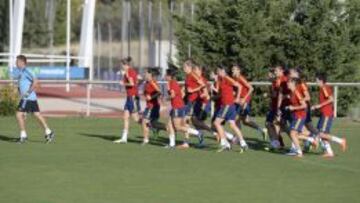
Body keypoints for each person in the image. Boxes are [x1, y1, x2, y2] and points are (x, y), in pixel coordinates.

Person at [13, 55, 54, 143]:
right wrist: (20, 92)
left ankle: (23, 136)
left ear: (22, 62)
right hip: (29, 98)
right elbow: (22, 84)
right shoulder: (21, 72)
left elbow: (35, 81)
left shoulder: (27, 70)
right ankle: (49, 132)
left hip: (27, 98)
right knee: (37, 114)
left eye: (17, 61)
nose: (16, 63)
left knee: (19, 114)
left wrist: (28, 92)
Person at [213, 66, 248, 152]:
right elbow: (222, 93)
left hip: (227, 105)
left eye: (219, 71)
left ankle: (224, 143)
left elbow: (239, 86)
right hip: (228, 105)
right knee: (232, 124)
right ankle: (243, 144)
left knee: (216, 123)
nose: (218, 73)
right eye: (217, 71)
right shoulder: (221, 80)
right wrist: (214, 96)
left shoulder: (227, 78)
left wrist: (237, 98)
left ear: (223, 71)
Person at [311, 73, 347, 157]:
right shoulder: (322, 88)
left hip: (327, 114)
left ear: (321, 81)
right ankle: (330, 152)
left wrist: (320, 105)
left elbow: (331, 99)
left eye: (316, 80)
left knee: (321, 134)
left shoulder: (324, 88)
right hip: (324, 114)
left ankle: (341, 141)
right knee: (322, 133)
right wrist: (317, 106)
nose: (316, 82)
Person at [165, 69, 202, 149]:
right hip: (176, 107)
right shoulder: (171, 83)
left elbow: (173, 95)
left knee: (178, 127)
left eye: (166, 75)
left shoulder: (173, 83)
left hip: (177, 107)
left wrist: (166, 98)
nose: (165, 76)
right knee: (169, 125)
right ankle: (172, 144)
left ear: (169, 76)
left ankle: (197, 133)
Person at [231, 64, 267, 141]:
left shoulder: (240, 78)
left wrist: (244, 99)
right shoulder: (235, 78)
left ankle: (237, 137)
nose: (232, 70)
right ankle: (262, 130)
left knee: (236, 119)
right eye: (232, 69)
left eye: (234, 69)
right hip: (239, 102)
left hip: (243, 102)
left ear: (239, 71)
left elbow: (251, 88)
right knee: (245, 121)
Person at [114, 57, 141, 144]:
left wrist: (123, 83)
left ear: (126, 65)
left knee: (136, 119)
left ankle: (151, 127)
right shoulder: (130, 71)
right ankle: (124, 138)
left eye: (122, 65)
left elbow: (132, 83)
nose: (121, 66)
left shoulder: (129, 72)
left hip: (133, 97)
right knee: (125, 117)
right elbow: (138, 80)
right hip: (129, 97)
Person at [141, 68, 165, 145]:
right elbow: (146, 92)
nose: (145, 74)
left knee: (145, 121)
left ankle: (146, 140)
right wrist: (145, 94)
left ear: (150, 74)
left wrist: (151, 97)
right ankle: (166, 128)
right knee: (153, 123)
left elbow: (159, 92)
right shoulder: (146, 82)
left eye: (146, 73)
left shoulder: (152, 82)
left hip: (152, 106)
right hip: (150, 106)